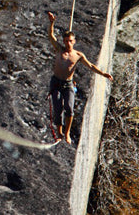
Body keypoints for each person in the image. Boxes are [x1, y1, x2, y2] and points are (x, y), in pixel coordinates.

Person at [47, 11, 113, 143]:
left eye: (70, 41)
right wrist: (52, 23)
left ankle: (67, 133)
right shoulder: (59, 50)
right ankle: (59, 133)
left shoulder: (78, 55)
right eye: (66, 41)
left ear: (74, 41)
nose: (68, 43)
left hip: (68, 84)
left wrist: (103, 74)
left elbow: (90, 66)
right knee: (58, 108)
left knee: (69, 109)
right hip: (56, 82)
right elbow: (50, 36)